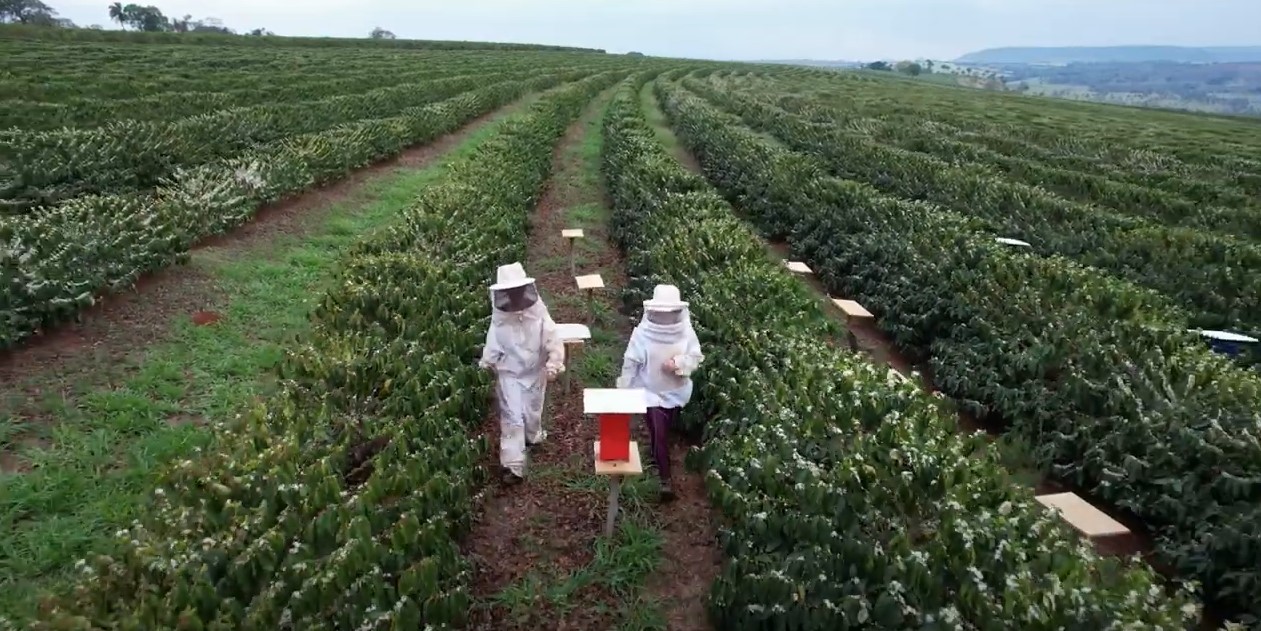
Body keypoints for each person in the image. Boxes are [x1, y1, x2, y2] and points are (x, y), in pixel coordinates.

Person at [479, 262, 565, 485]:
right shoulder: (499, 321)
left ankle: (533, 435)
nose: (514, 297)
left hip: (535, 372)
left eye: (517, 291)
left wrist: (554, 362)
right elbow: (492, 348)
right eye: (509, 292)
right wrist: (486, 363)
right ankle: (513, 465)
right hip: (510, 375)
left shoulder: (539, 315)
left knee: (533, 410)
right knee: (512, 418)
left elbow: (553, 339)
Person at [615, 284, 704, 501]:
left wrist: (678, 363)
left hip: (675, 392)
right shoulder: (643, 334)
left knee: (662, 431)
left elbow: (696, 357)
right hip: (650, 393)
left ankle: (657, 456)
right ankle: (666, 480)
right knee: (659, 432)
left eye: (670, 312)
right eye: (662, 312)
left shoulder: (685, 331)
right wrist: (623, 389)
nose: (666, 317)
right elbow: (630, 361)